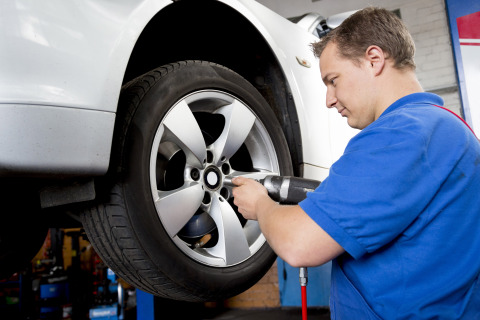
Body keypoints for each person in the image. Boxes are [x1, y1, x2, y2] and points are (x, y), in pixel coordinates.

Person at [232, 7, 480, 319]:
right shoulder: (450, 130)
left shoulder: (400, 133)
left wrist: (261, 206)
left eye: (333, 80)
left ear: (374, 60)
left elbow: (299, 244)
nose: (329, 99)